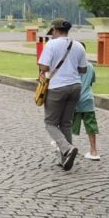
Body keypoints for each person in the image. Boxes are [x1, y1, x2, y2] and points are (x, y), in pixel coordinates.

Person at [38, 19, 88, 170]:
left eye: (52, 32)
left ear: (54, 30)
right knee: (66, 123)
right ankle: (65, 158)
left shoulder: (51, 45)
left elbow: (44, 66)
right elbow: (83, 69)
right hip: (75, 86)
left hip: (57, 87)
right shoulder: (78, 45)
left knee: (50, 123)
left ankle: (67, 148)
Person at [72, 42, 100, 160]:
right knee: (90, 125)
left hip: (74, 100)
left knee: (67, 123)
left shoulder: (72, 67)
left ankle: (65, 146)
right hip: (88, 99)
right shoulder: (90, 66)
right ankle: (94, 151)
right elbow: (91, 82)